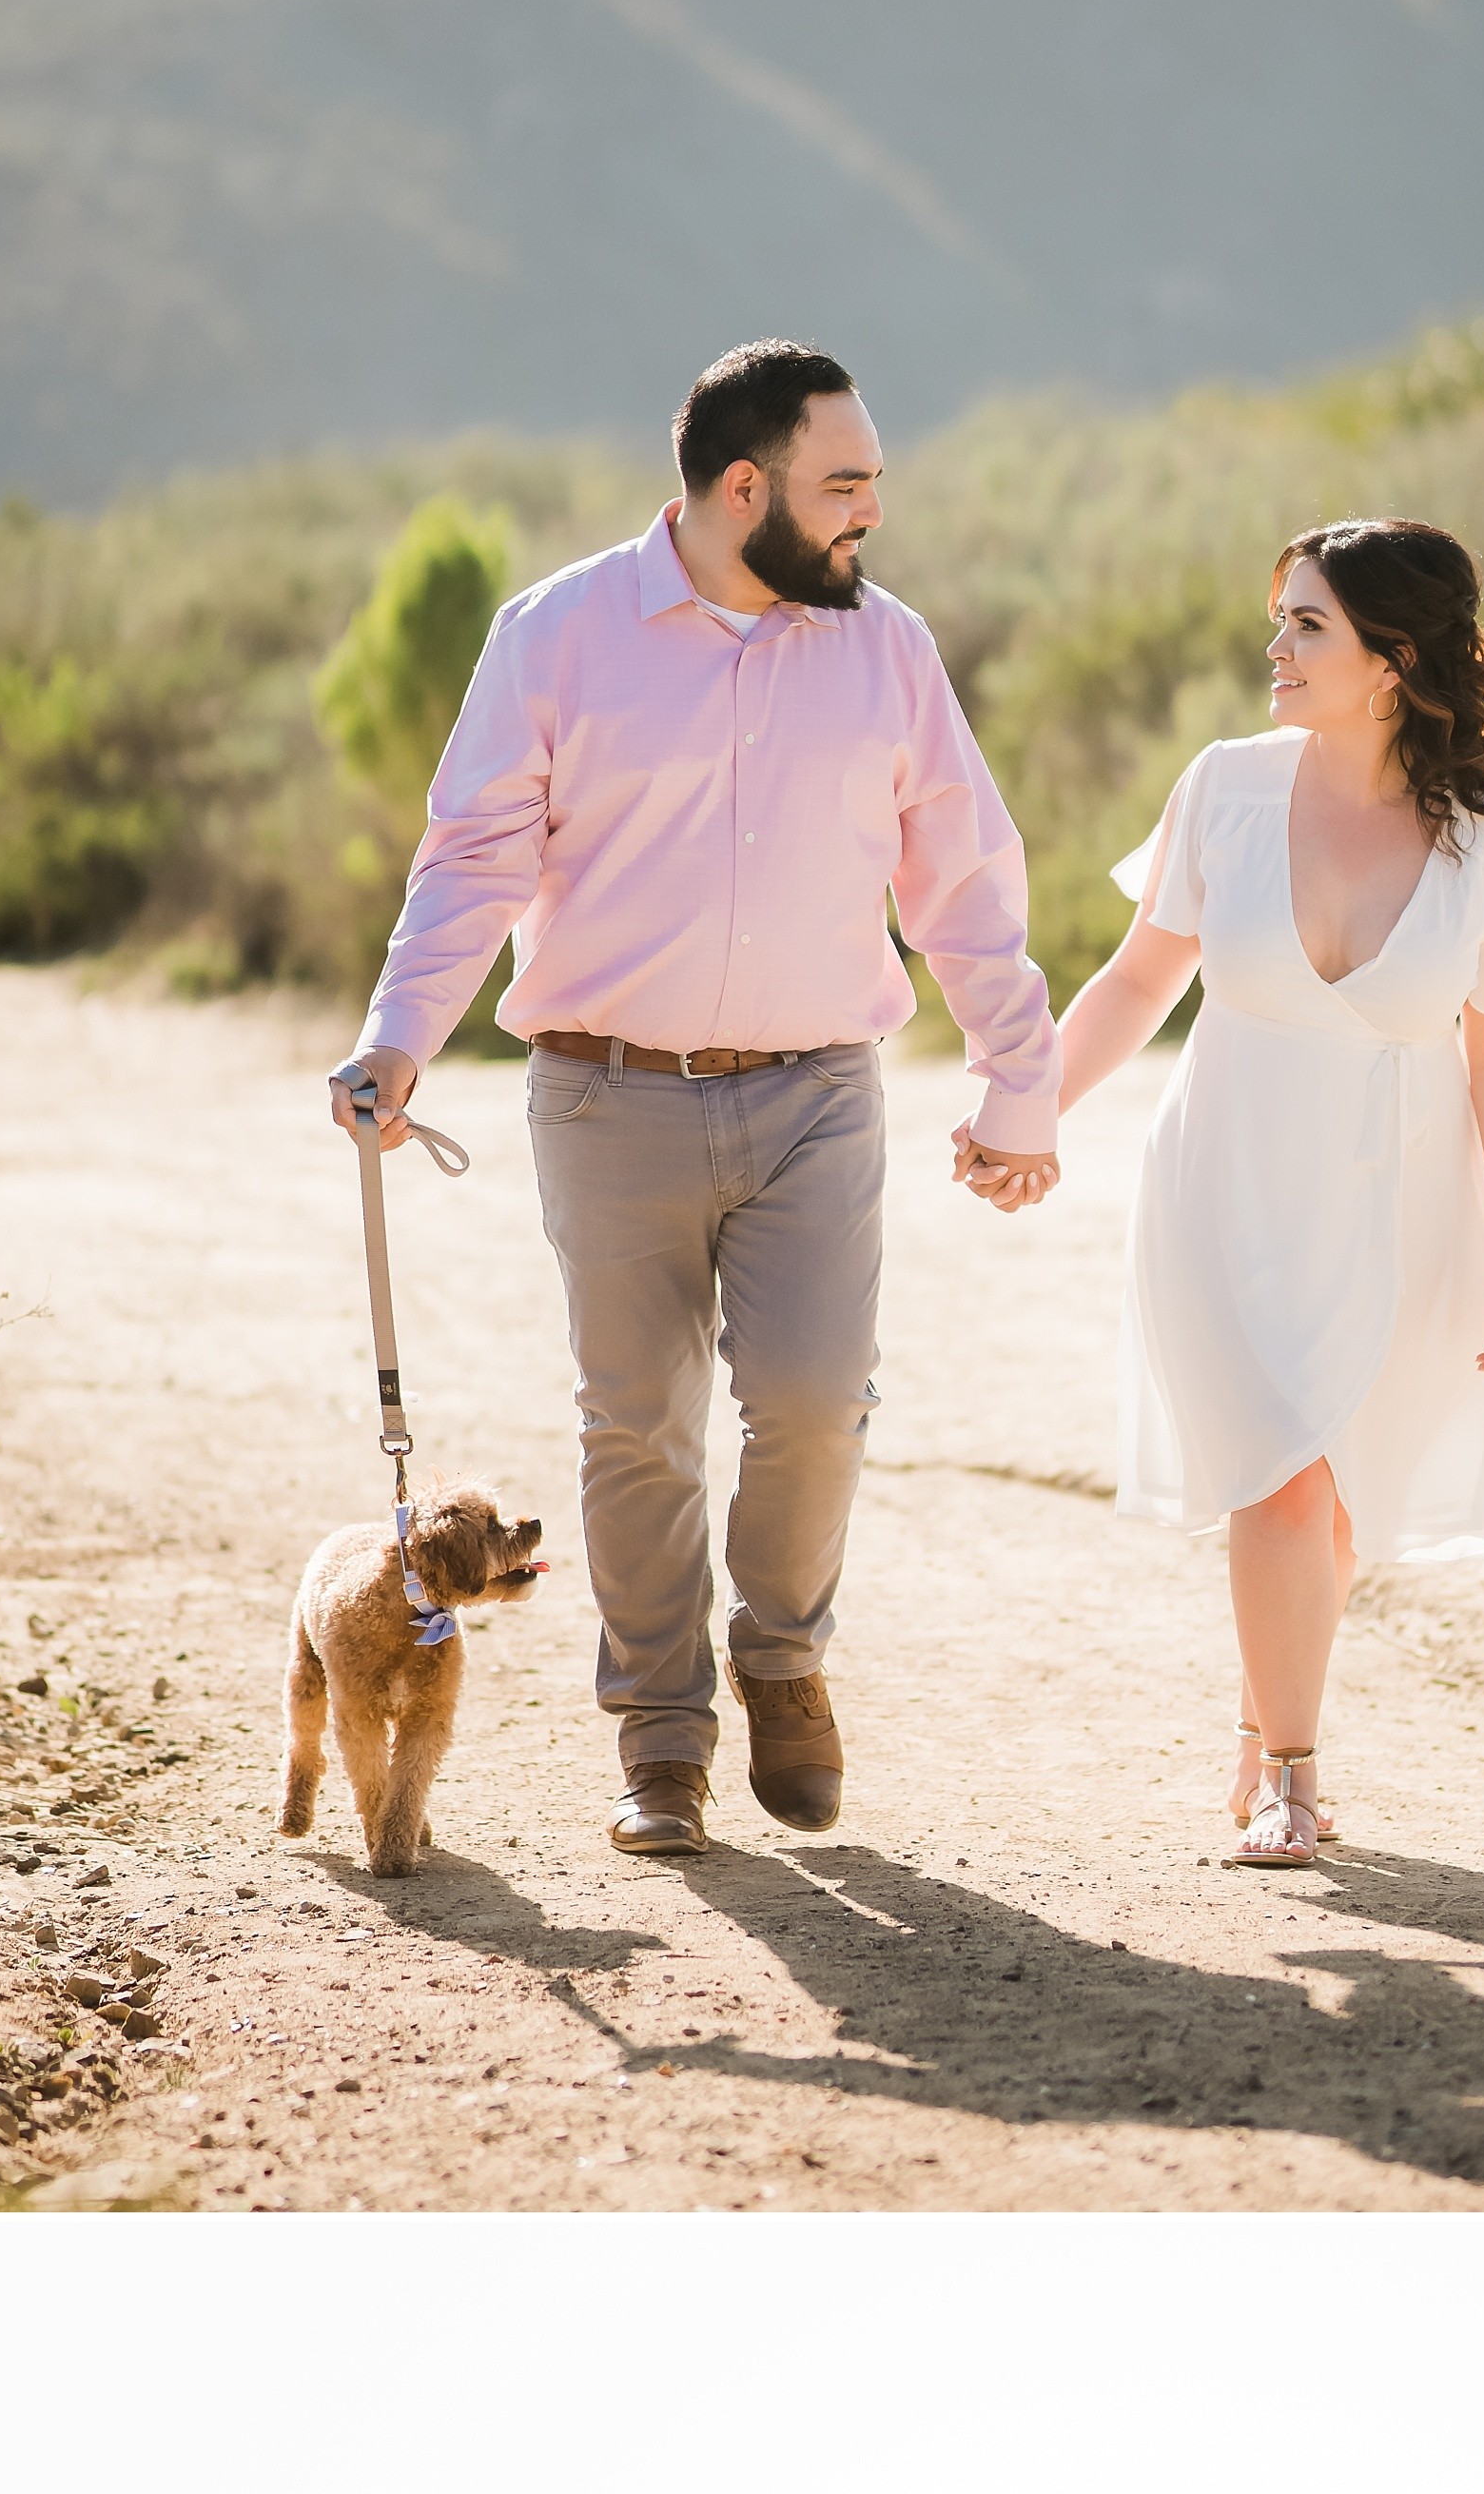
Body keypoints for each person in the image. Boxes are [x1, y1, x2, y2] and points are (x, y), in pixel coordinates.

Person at [333, 343, 1061, 1861]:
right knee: (637, 1428)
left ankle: (781, 1659)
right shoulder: (556, 635)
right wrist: (401, 1038)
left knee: (813, 1399)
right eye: (843, 484)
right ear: (746, 490)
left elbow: (966, 879)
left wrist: (1019, 1079)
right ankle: (661, 1737)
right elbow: (475, 857)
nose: (870, 513)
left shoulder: (889, 650)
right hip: (606, 1099)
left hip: (817, 1096)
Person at [1042, 518, 1484, 1864]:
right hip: (1223, 1185)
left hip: (1401, 1204)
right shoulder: (1225, 788)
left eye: (1308, 627)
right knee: (1279, 1481)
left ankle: (1261, 1718)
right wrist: (1024, 1110)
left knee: (1337, 1501)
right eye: (1281, 618)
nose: (1275, 647)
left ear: (1392, 661)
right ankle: (1293, 1776)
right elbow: (1133, 981)